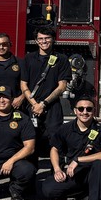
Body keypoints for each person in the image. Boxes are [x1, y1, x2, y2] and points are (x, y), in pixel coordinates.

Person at [42, 95, 101, 200]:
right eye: (81, 109)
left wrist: (77, 160)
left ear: (94, 111)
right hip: (75, 172)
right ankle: (83, 192)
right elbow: (54, 149)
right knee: (48, 189)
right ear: (75, 111)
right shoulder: (65, 128)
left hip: (95, 172)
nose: (85, 112)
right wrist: (57, 169)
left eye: (89, 109)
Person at [20, 28, 70, 159]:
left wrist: (43, 104)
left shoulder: (62, 59)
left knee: (56, 141)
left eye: (47, 38)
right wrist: (34, 104)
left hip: (52, 107)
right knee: (30, 141)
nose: (44, 41)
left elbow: (62, 86)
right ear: (36, 41)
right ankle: (29, 174)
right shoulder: (29, 58)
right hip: (31, 106)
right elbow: (23, 84)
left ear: (53, 39)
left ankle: (57, 172)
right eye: (40, 38)